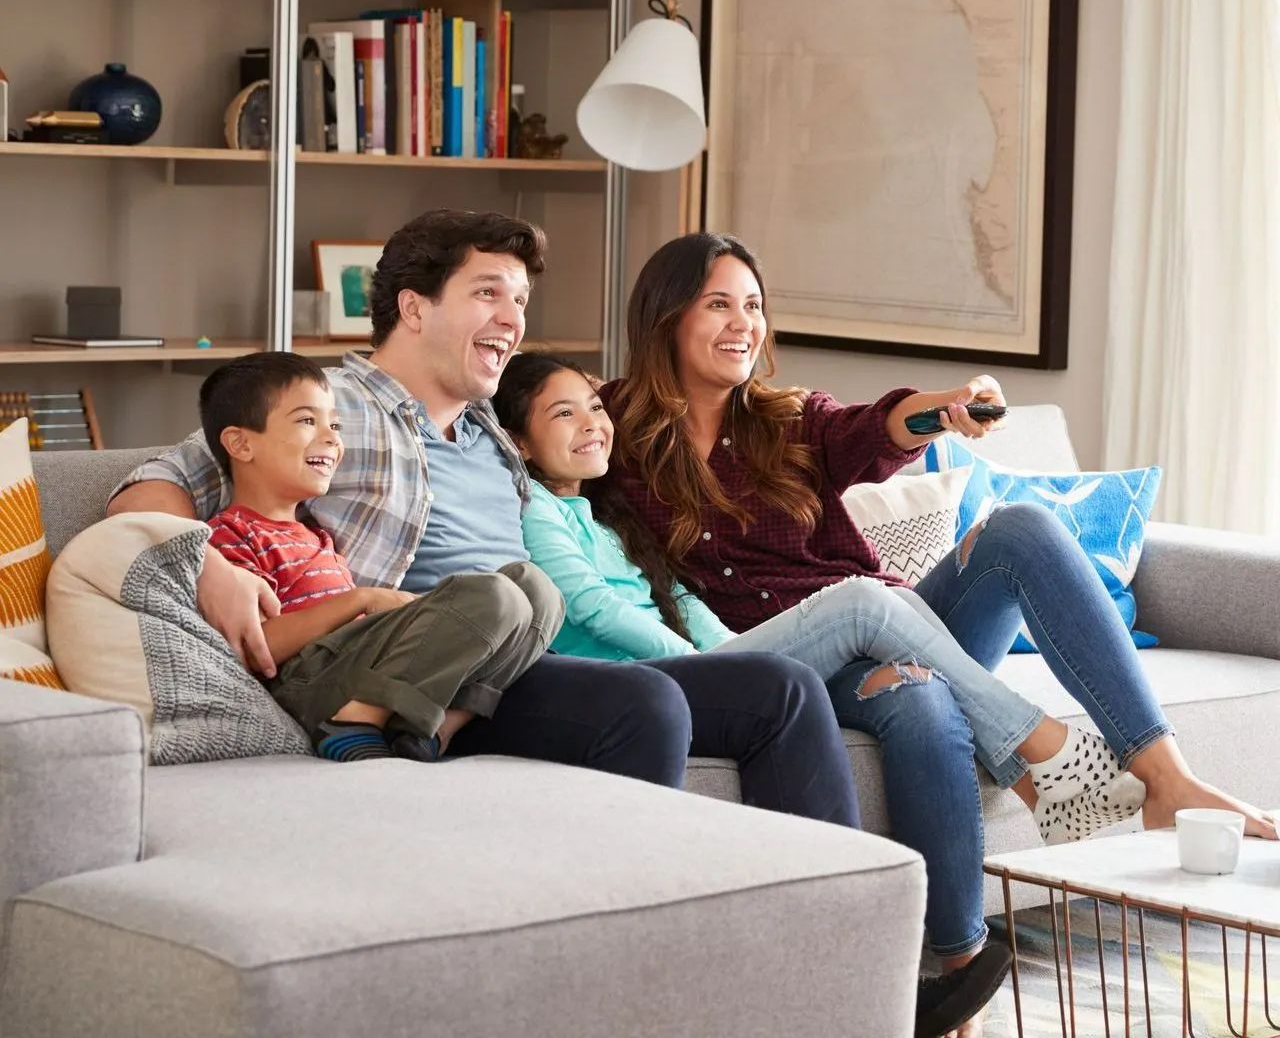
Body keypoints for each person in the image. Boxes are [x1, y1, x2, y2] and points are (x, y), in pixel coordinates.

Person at [107, 209, 1010, 1038]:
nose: (512, 317)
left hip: (522, 660)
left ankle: (849, 977)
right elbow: (158, 476)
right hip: (414, 673)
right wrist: (210, 559)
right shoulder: (332, 400)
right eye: (488, 293)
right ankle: (641, 992)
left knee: (775, 688)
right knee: (643, 709)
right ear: (414, 309)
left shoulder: (495, 434)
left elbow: (614, 490)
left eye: (522, 299)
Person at [599, 230, 1277, 983]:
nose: (743, 325)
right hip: (787, 668)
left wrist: (948, 408)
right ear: (665, 317)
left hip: (895, 622)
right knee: (921, 703)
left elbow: (881, 426)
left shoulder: (787, 420)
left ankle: (1167, 778)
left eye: (753, 306)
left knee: (1021, 529)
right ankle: (961, 967)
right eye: (718, 304)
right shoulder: (608, 430)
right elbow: (537, 471)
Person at [492, 350, 1144, 841]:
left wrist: (731, 653)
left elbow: (679, 599)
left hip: (705, 663)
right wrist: (706, 663)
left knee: (887, 612)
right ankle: (1044, 749)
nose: (591, 423)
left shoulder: (603, 514)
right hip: (648, 683)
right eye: (563, 413)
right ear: (519, 442)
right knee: (862, 602)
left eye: (594, 407)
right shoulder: (536, 513)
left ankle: (1044, 780)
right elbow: (598, 610)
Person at [199, 350, 561, 762]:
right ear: (240, 443)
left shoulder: (317, 535)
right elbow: (256, 647)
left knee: (536, 589)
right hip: (311, 683)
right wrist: (361, 599)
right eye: (306, 421)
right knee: (494, 594)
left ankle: (440, 727)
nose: (333, 438)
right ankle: (354, 721)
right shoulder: (231, 533)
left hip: (362, 663)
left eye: (334, 424)